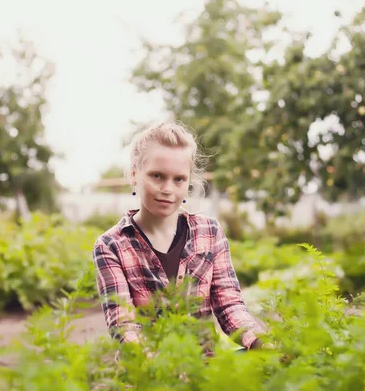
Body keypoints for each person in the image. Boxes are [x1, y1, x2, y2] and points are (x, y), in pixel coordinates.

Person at [92, 122, 268, 355]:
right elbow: (124, 326)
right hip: (150, 375)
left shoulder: (209, 232)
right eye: (157, 176)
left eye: (179, 179)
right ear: (134, 175)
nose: (168, 188)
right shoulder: (111, 245)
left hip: (205, 371)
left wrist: (261, 343)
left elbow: (229, 305)